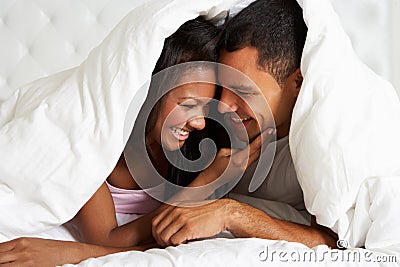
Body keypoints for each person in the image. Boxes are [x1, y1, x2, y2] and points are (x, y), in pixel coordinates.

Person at [0, 16, 270, 267]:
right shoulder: (96, 144)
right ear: (148, 94)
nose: (199, 122)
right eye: (188, 105)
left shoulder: (202, 140)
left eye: (206, 108)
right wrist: (203, 185)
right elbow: (104, 240)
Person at [151, 0, 338, 249]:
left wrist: (231, 214)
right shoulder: (208, 125)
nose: (222, 107)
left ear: (297, 83)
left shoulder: (325, 136)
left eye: (242, 90)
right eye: (222, 88)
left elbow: (336, 244)